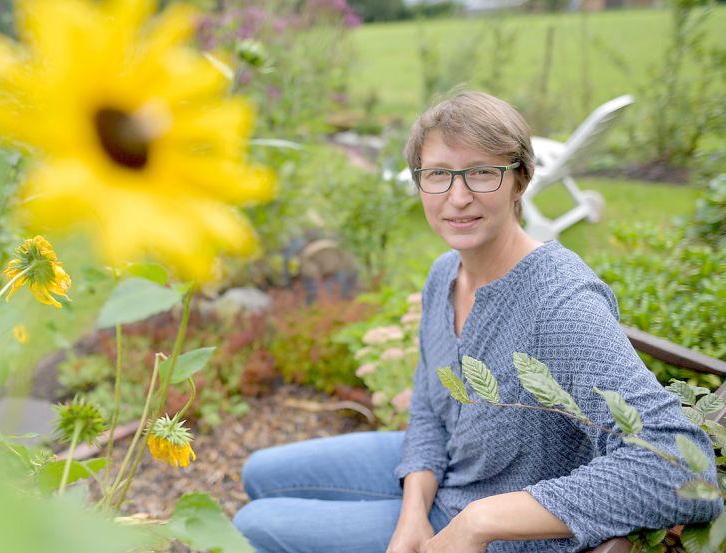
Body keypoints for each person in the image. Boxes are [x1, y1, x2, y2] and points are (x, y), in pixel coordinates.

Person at [232, 91, 722, 553]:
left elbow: (680, 469)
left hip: (503, 528)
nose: (457, 197)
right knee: (259, 472)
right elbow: (427, 410)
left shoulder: (559, 302)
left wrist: (478, 521)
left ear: (521, 180)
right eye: (438, 174)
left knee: (253, 526)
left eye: (482, 173)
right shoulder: (444, 273)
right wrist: (411, 513)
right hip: (446, 474)